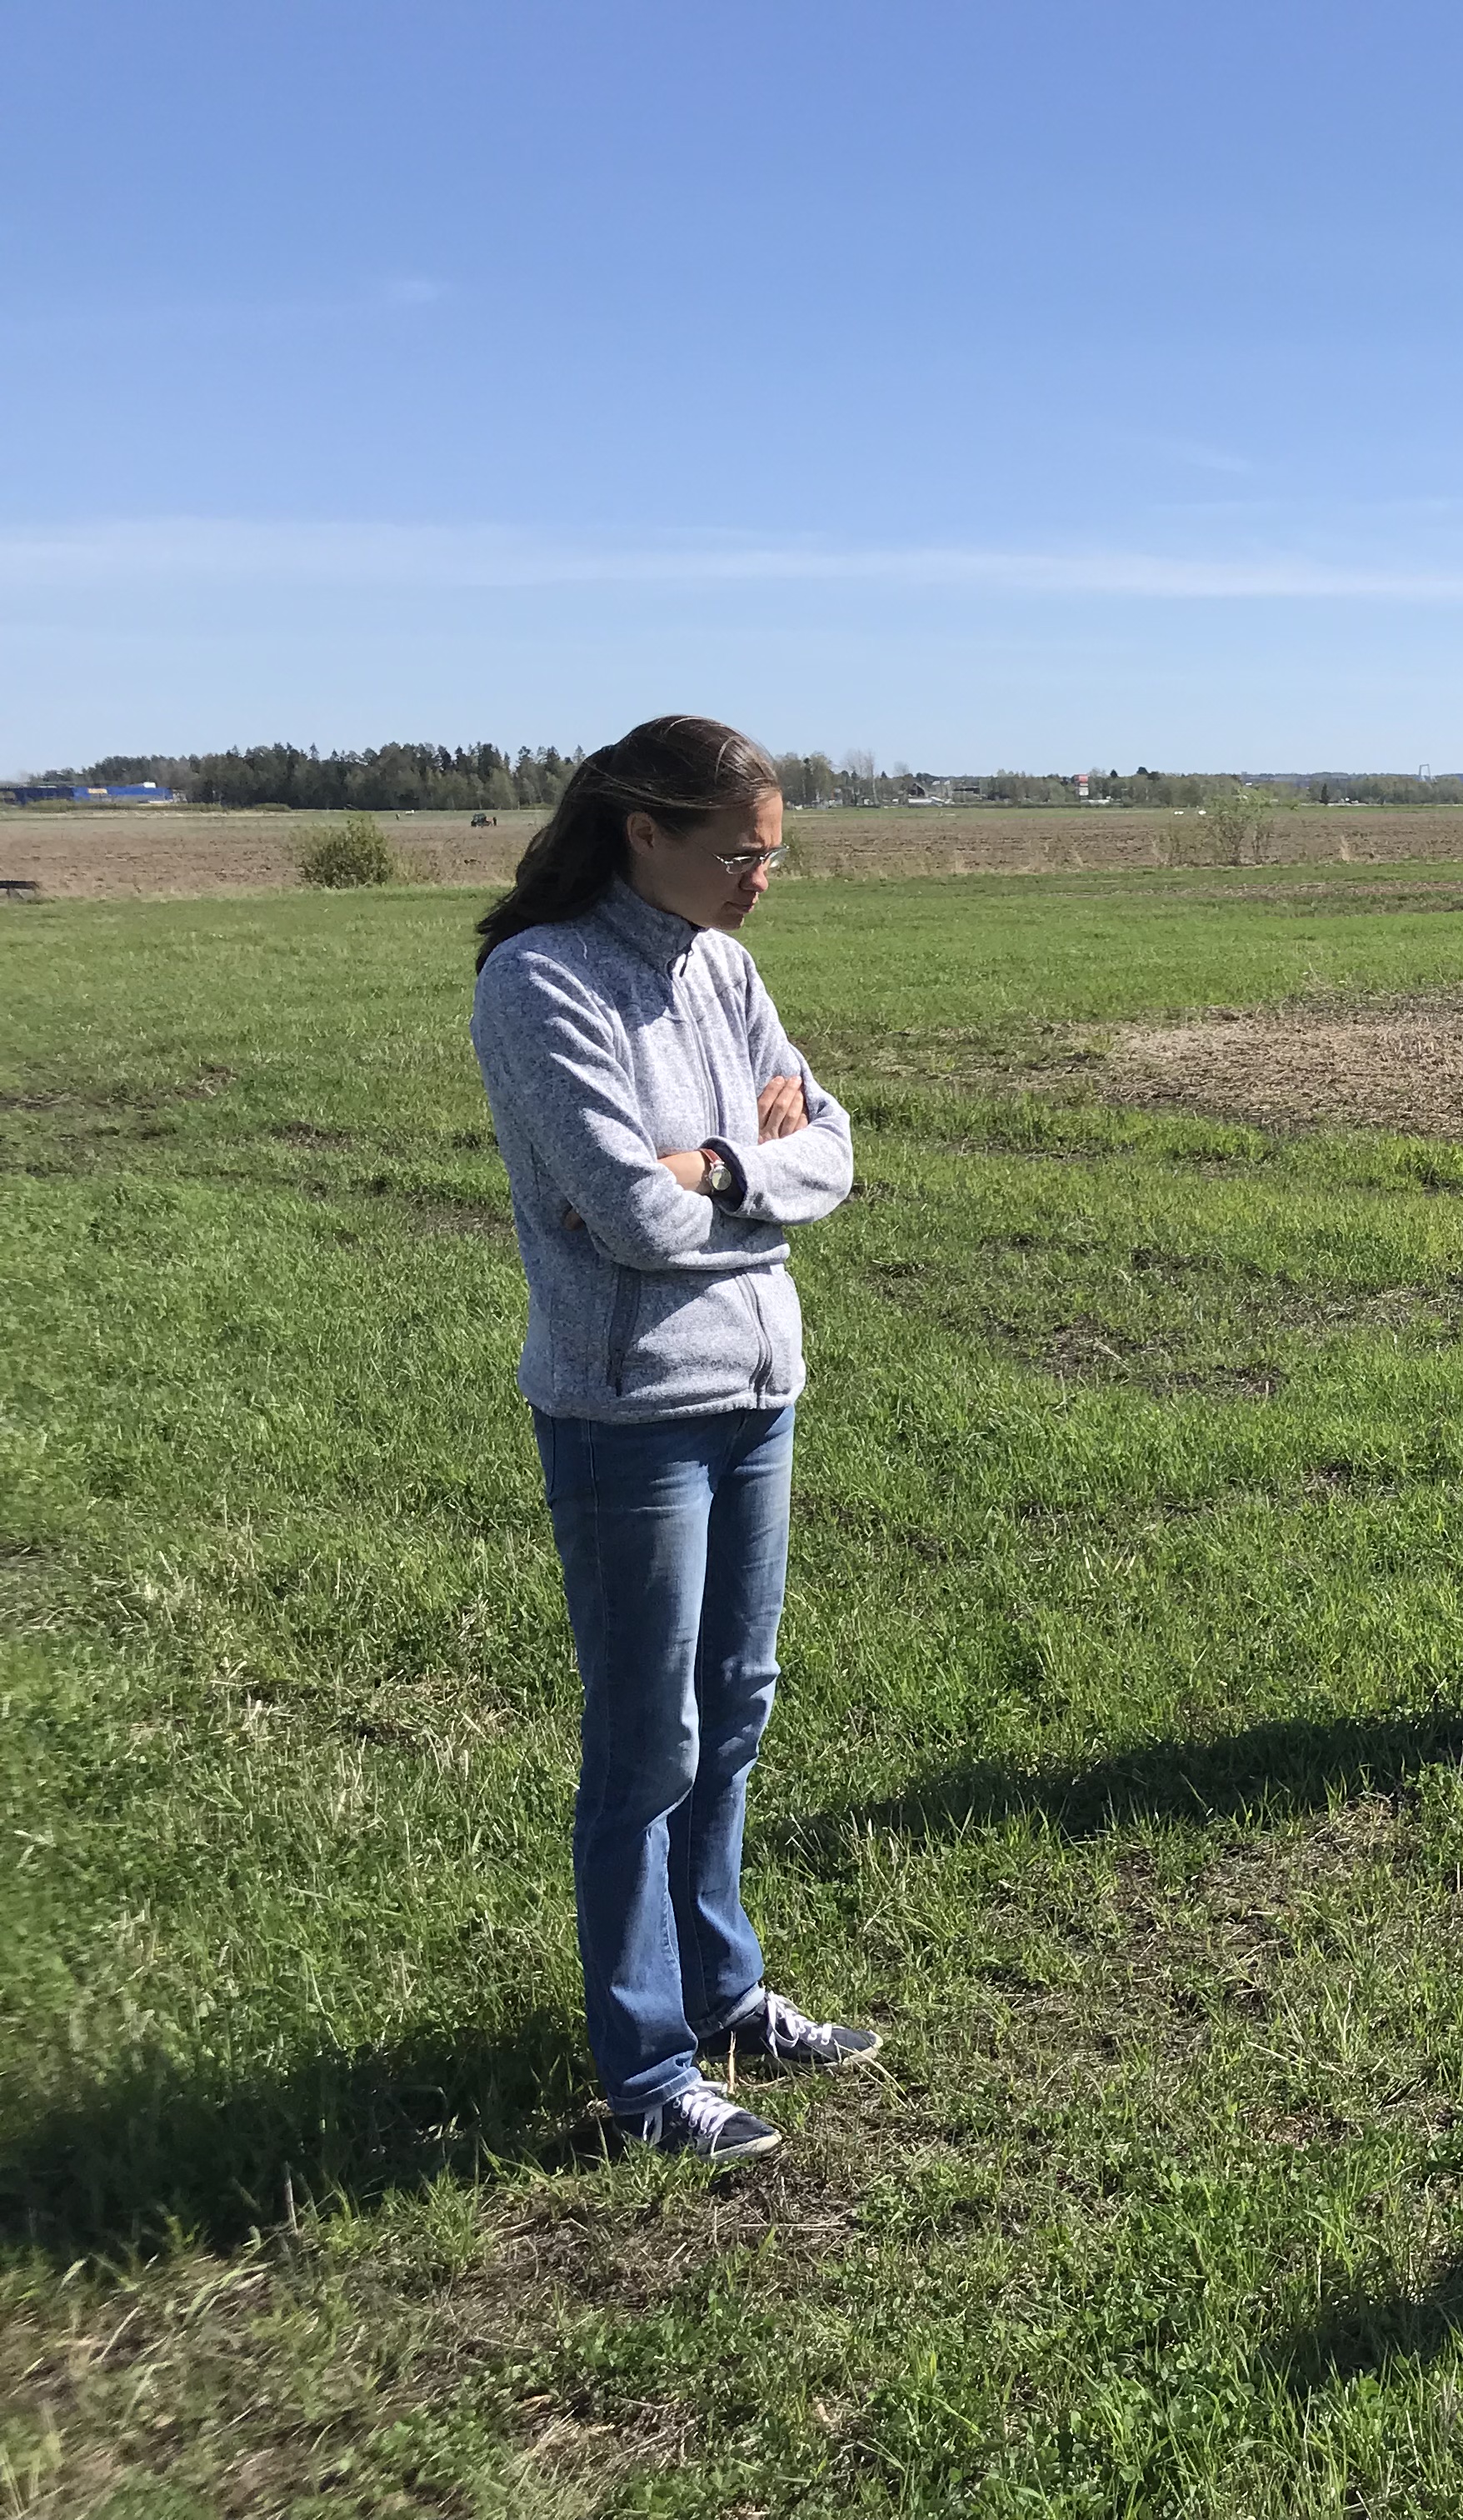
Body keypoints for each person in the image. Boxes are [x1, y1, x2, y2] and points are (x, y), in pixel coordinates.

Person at [470, 716, 878, 2162]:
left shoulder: (727, 963)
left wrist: (717, 1164)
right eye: (741, 853)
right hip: (629, 1410)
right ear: (644, 832)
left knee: (740, 1707)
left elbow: (833, 1148)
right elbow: (622, 1224)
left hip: (760, 1385)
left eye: (772, 855)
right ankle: (645, 2072)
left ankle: (727, 1990)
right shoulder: (539, 982)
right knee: (650, 1739)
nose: (762, 880)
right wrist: (749, 1184)